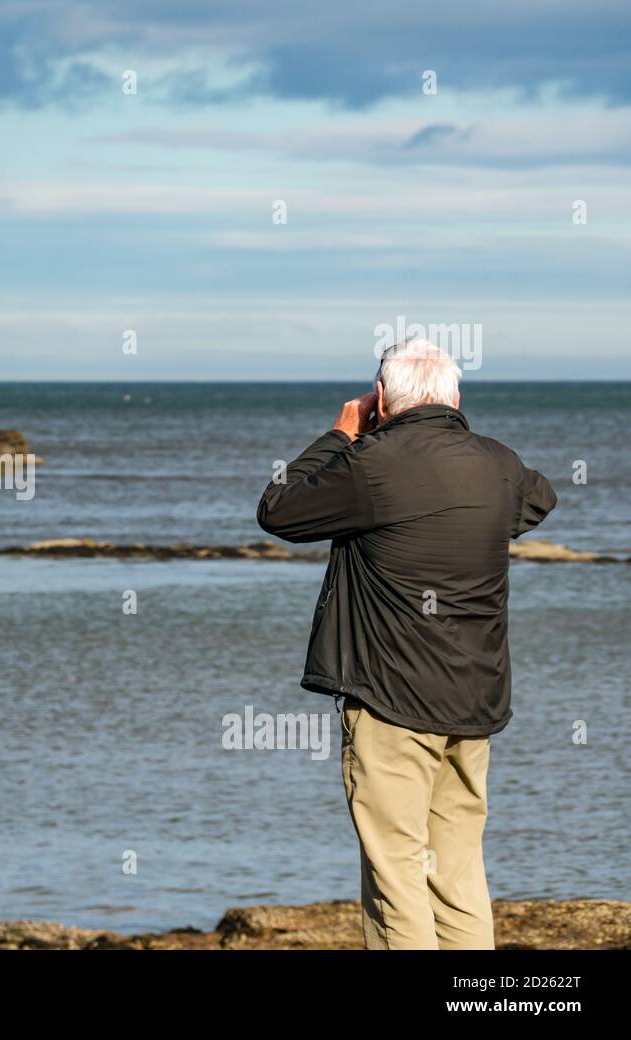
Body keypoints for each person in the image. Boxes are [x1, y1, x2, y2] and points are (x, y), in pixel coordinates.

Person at [256, 339, 557, 949]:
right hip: (476, 702)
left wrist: (341, 433)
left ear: (382, 400)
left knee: (396, 874)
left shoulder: (371, 463)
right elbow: (539, 496)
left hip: (391, 702)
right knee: (457, 872)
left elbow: (279, 510)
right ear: (455, 397)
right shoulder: (497, 463)